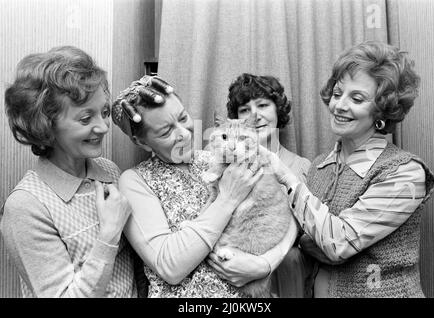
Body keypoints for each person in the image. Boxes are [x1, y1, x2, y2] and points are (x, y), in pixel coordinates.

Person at [260, 41, 434, 297]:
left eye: (356, 98)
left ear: (382, 110)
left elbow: (337, 243)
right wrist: (315, 241)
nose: (339, 105)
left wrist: (284, 175)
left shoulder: (405, 173)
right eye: (337, 93)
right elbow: (304, 238)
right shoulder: (320, 167)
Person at [113, 75, 298, 297]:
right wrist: (228, 198)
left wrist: (266, 263)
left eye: (183, 118)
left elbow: (292, 212)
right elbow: (170, 268)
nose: (183, 133)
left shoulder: (217, 156)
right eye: (166, 131)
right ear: (141, 142)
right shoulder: (135, 181)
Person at [0, 46, 137, 297]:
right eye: (86, 119)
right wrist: (109, 234)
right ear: (45, 125)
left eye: (104, 112)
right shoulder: (26, 206)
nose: (103, 127)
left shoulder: (109, 172)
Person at [207, 73, 311, 298]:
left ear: (278, 110)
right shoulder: (220, 163)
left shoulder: (301, 166)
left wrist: (263, 264)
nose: (255, 115)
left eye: (263, 105)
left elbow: (301, 225)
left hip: (280, 274)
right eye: (245, 109)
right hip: (226, 273)